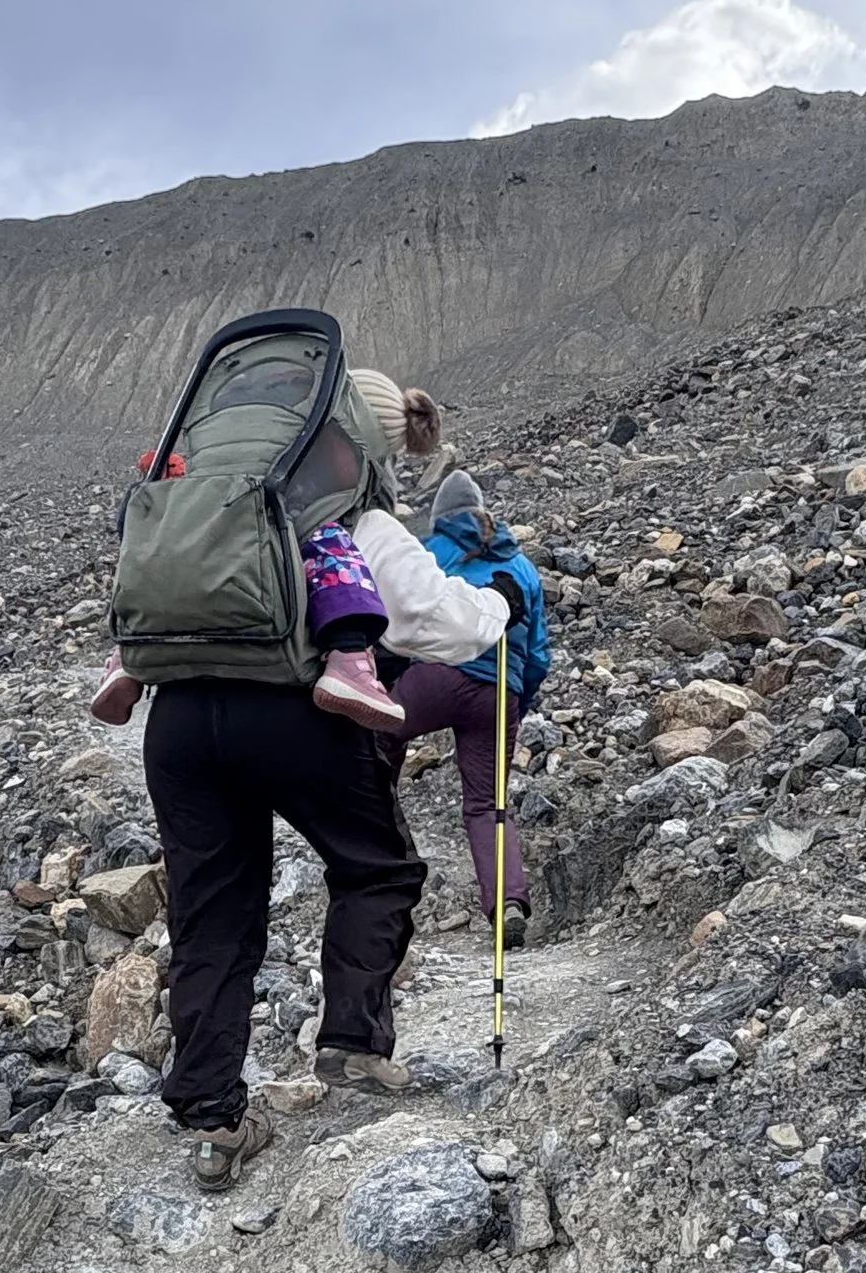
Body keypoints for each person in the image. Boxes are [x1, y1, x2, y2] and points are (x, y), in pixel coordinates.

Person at [141, 369, 508, 1185]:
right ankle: (350, 1040)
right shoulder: (350, 517)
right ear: (364, 445)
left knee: (213, 914)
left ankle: (212, 1115)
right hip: (294, 713)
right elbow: (438, 623)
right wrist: (498, 610)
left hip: (177, 721)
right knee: (377, 867)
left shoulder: (212, 499)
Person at [383, 465, 552, 948]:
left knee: (374, 734)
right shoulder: (521, 566)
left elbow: (400, 612)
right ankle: (509, 903)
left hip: (437, 676)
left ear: (440, 516)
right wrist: (519, 698)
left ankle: (384, 849)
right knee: (487, 804)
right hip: (500, 691)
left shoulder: (430, 552)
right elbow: (538, 651)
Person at [89, 508, 401, 730]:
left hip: (178, 711)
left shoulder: (195, 440)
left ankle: (128, 655)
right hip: (282, 700)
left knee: (160, 551)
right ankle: (348, 655)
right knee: (327, 539)